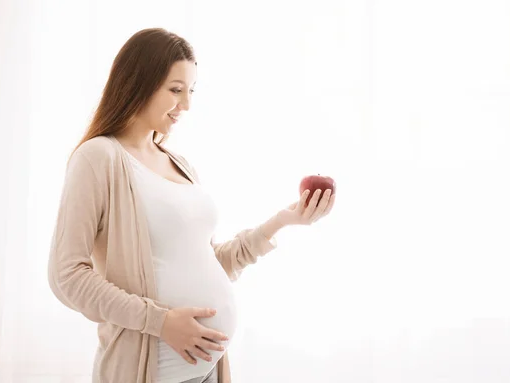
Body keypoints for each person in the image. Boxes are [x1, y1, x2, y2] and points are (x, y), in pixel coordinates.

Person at [47, 28, 335, 383]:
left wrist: (282, 221)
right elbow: (67, 276)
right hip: (151, 372)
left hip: (208, 371)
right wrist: (161, 322)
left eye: (191, 91)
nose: (186, 105)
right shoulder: (98, 158)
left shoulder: (180, 164)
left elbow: (210, 263)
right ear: (138, 82)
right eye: (175, 90)